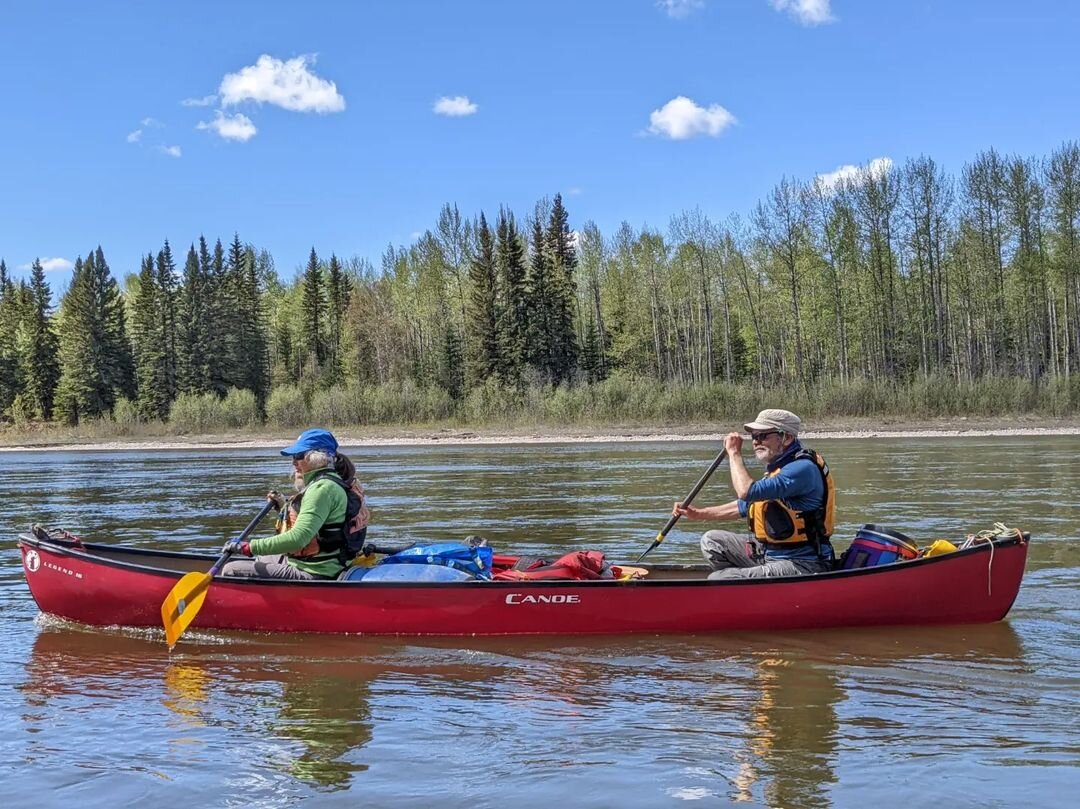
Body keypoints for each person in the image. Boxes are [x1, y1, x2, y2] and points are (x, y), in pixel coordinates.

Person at [672, 409, 835, 579]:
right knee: (712, 541)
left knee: (720, 578)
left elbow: (746, 492)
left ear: (787, 438)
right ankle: (749, 586)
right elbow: (745, 505)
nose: (756, 442)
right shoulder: (779, 469)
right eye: (754, 436)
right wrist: (698, 513)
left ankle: (737, 584)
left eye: (763, 436)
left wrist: (734, 453)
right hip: (768, 555)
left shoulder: (801, 469)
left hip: (803, 563)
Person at [222, 428, 370, 580]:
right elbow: (321, 521)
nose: (293, 462)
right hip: (325, 563)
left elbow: (298, 539)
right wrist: (282, 506)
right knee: (261, 559)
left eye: (298, 456)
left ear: (316, 458)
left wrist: (249, 547)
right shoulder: (332, 482)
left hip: (317, 572)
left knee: (230, 569)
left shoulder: (321, 489)